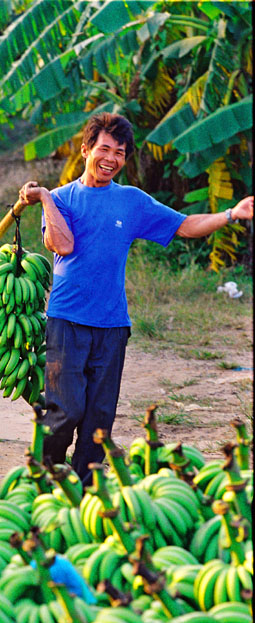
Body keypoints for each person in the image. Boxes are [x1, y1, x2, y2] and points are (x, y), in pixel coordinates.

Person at [19, 111, 254, 486]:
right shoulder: (61, 199)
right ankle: (44, 476)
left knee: (99, 417)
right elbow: (61, 244)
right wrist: (46, 196)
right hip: (67, 320)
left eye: (120, 153)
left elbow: (185, 226)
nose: (111, 159)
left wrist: (231, 213)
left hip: (112, 325)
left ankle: (86, 488)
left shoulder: (131, 201)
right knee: (66, 410)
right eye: (105, 149)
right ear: (85, 150)